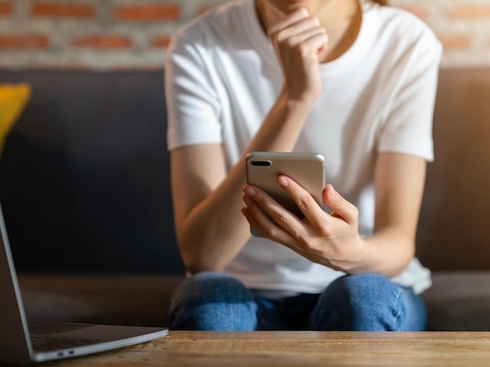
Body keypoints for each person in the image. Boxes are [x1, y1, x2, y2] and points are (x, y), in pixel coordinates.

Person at [165, 0, 442, 331]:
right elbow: (202, 256)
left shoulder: (405, 42)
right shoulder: (198, 45)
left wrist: (351, 253)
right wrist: (295, 99)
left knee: (365, 300)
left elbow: (399, 241)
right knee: (211, 306)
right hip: (244, 286)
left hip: (362, 275)